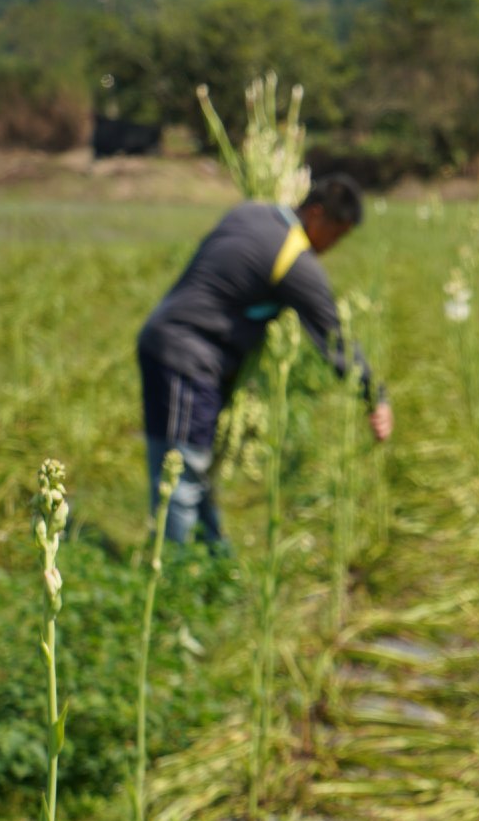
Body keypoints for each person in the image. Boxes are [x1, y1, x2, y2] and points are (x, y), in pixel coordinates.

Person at [136, 173, 392, 546]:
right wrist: (376, 397)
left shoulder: (252, 214)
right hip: (186, 359)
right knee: (180, 476)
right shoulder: (294, 260)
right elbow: (335, 340)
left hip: (174, 348)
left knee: (192, 471)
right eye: (335, 234)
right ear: (316, 213)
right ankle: (174, 582)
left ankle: (214, 563)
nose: (332, 246)